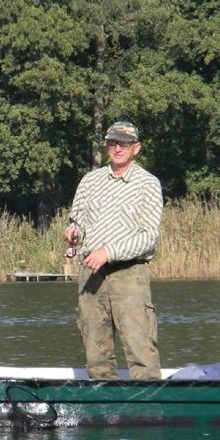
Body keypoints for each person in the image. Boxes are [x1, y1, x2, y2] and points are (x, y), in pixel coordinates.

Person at [64, 121, 163, 380]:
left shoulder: (148, 184)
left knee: (140, 348)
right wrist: (73, 232)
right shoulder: (90, 181)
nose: (117, 148)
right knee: (96, 354)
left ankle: (150, 410)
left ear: (136, 148)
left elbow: (149, 238)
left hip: (129, 275)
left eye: (124, 143)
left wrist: (109, 251)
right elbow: (78, 221)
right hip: (91, 274)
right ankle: (105, 410)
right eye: (112, 143)